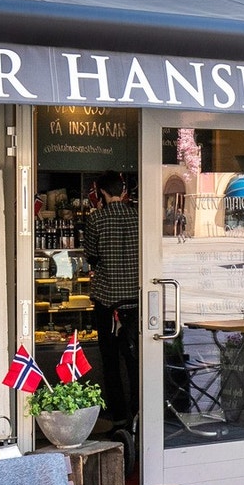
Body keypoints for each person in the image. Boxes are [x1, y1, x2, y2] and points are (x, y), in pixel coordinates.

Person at [83, 171, 140, 435]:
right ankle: (140, 413)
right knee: (136, 360)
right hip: (136, 301)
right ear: (123, 190)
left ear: (102, 193)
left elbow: (92, 258)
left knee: (111, 361)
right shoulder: (138, 217)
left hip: (107, 300)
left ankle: (118, 418)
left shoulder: (96, 219)